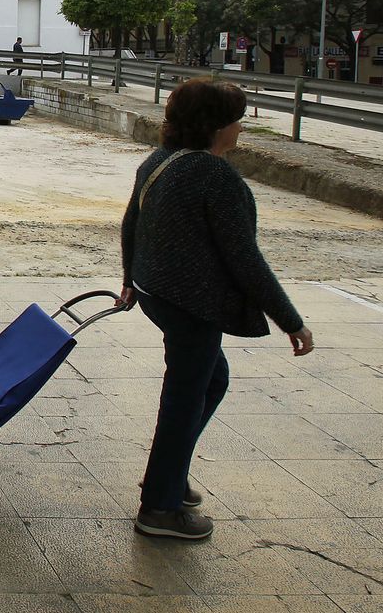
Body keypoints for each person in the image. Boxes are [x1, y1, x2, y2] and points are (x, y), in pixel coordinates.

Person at [119, 78, 313, 541]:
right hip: (190, 304)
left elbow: (131, 221)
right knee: (184, 399)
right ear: (216, 125)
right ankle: (160, 509)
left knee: (213, 379)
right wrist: (291, 320)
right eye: (235, 120)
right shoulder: (215, 175)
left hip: (156, 293)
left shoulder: (159, 161)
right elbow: (244, 258)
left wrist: (129, 279)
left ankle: (168, 471)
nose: (240, 128)